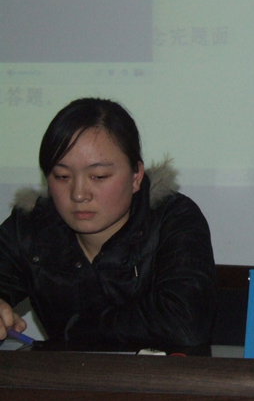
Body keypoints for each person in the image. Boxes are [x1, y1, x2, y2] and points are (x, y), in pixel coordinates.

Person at [0, 98, 217, 347]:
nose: (79, 194)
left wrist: (77, 330)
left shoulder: (174, 220)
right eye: (62, 176)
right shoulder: (31, 227)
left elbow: (184, 324)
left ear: (136, 176)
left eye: (99, 176)